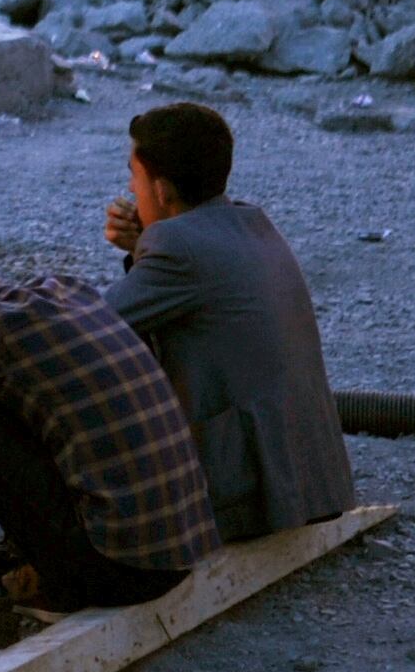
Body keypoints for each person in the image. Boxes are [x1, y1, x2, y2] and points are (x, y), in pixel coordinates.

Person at [0, 256, 217, 655]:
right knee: (8, 401)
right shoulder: (67, 291)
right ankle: (26, 570)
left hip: (123, 572)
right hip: (180, 550)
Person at [100, 102, 355, 541]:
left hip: (254, 500)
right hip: (315, 485)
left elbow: (92, 330)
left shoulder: (177, 245)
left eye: (133, 176)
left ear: (161, 192)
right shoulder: (249, 222)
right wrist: (142, 246)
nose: (129, 189)